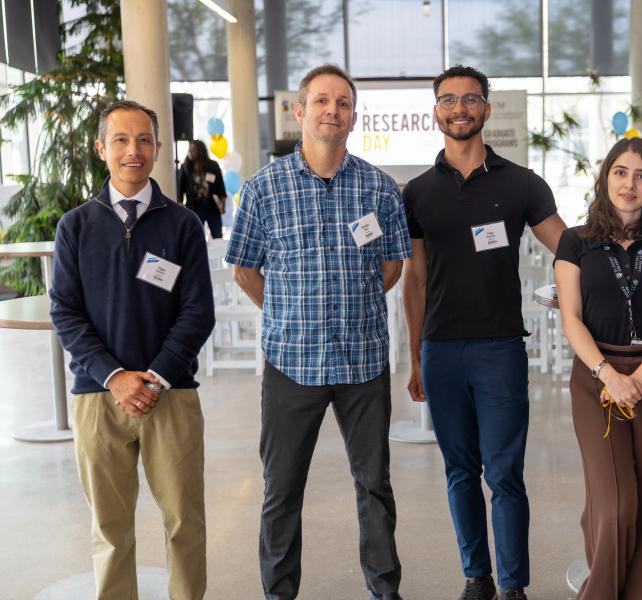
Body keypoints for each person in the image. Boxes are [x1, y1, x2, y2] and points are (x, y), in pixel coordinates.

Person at [225, 64, 410, 600]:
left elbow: (393, 264)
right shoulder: (263, 189)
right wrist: (287, 312)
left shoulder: (378, 187)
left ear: (353, 117)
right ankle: (279, 593)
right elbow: (245, 268)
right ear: (299, 111)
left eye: (344, 103)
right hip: (291, 364)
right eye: (323, 101)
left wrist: (351, 306)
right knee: (281, 491)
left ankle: (384, 589)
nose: (334, 110)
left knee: (374, 486)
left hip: (363, 362)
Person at [402, 65, 566, 600]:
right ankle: (478, 577)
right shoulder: (418, 193)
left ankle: (514, 584)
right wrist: (415, 356)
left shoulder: (522, 183)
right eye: (448, 100)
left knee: (505, 474)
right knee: (459, 472)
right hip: (442, 349)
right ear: (436, 113)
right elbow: (417, 279)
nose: (459, 108)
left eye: (470, 99)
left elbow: (568, 250)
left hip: (500, 348)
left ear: (486, 110)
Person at [49, 99, 215, 599]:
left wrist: (157, 375)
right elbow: (65, 312)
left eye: (144, 140)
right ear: (102, 148)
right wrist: (115, 376)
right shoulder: (75, 227)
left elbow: (196, 312)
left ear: (159, 149)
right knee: (110, 527)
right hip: (98, 397)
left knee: (185, 521)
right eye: (120, 140)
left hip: (172, 394)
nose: (133, 151)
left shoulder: (183, 225)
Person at [554, 137, 642, 600]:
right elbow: (570, 318)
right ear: (605, 177)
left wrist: (638, 379)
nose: (629, 184)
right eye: (620, 172)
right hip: (597, 378)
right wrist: (610, 376)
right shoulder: (575, 241)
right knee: (615, 505)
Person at [177, 139, 227, 238]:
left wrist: (223, 204)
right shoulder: (185, 167)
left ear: (200, 151)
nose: (190, 153)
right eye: (189, 150)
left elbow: (220, 186)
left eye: (193, 150)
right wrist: (180, 205)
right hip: (194, 206)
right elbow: (180, 188)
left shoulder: (213, 165)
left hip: (212, 206)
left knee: (217, 235)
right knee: (196, 236)